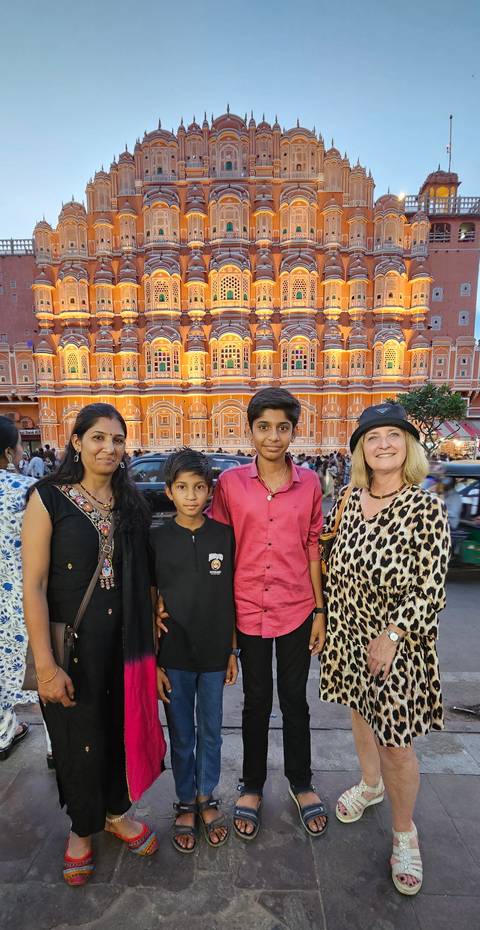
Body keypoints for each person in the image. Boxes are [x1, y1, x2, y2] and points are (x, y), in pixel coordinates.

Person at [22, 403, 166, 886]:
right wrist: (45, 665)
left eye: (118, 440)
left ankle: (116, 812)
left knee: (120, 728)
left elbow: (144, 576)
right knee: (77, 739)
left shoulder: (130, 506)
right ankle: (81, 830)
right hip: (71, 648)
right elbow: (34, 586)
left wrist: (155, 614)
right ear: (77, 442)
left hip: (122, 645)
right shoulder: (49, 498)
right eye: (98, 438)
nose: (109, 448)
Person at [319, 402, 450, 896]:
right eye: (373, 438)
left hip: (396, 642)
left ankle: (404, 832)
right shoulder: (350, 500)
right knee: (359, 712)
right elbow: (327, 548)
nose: (384, 445)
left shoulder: (425, 507)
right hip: (349, 634)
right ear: (360, 451)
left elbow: (431, 588)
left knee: (396, 742)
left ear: (408, 445)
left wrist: (392, 635)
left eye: (394, 435)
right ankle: (369, 784)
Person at [208, 388, 328, 840]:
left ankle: (301, 781)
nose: (273, 437)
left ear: (294, 431)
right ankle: (252, 784)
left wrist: (319, 610)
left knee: (295, 700)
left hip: (297, 607)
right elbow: (220, 550)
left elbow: (313, 547)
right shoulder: (231, 484)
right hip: (246, 611)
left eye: (282, 428)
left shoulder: (310, 483)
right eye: (264, 427)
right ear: (251, 430)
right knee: (256, 701)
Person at [153, 449, 238, 853]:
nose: (191, 496)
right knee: (181, 733)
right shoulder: (156, 539)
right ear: (169, 492)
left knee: (212, 731)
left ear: (210, 491)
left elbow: (230, 598)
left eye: (199, 488)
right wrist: (154, 660)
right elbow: (151, 600)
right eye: (182, 488)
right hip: (173, 655)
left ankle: (207, 795)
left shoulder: (223, 536)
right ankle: (185, 799)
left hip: (214, 652)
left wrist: (232, 651)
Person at [0, 417, 36, 761]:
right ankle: (59, 746)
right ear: (10, 451)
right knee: (42, 666)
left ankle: (2, 734)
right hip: (23, 598)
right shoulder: (26, 490)